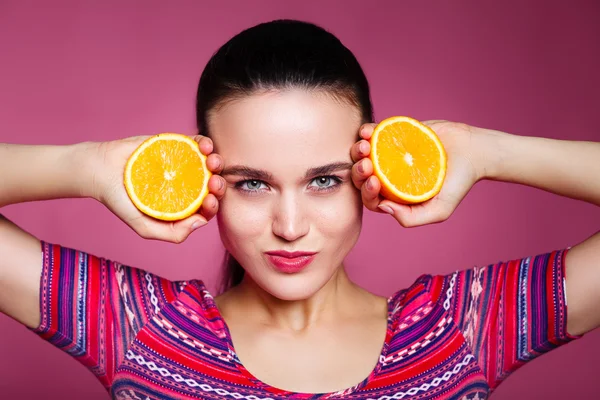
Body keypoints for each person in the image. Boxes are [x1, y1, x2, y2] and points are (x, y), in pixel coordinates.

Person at [0, 19, 598, 400]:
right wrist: (91, 165)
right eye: (252, 184)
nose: (290, 228)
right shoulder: (142, 330)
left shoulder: (459, 331)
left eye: (325, 181)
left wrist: (487, 151)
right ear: (209, 182)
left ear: (368, 174)